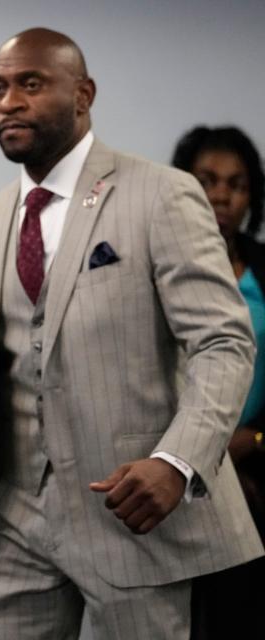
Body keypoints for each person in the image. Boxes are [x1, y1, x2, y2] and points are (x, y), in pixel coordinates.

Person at [0, 27, 260, 639]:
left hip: (130, 514)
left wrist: (176, 461)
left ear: (83, 95)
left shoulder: (162, 194)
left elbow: (224, 343)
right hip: (11, 522)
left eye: (30, 83)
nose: (9, 102)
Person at [172, 125, 265, 640]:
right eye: (206, 179)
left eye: (236, 183)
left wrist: (254, 439)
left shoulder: (261, 270)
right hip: (173, 470)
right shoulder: (153, 261)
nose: (221, 195)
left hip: (256, 469)